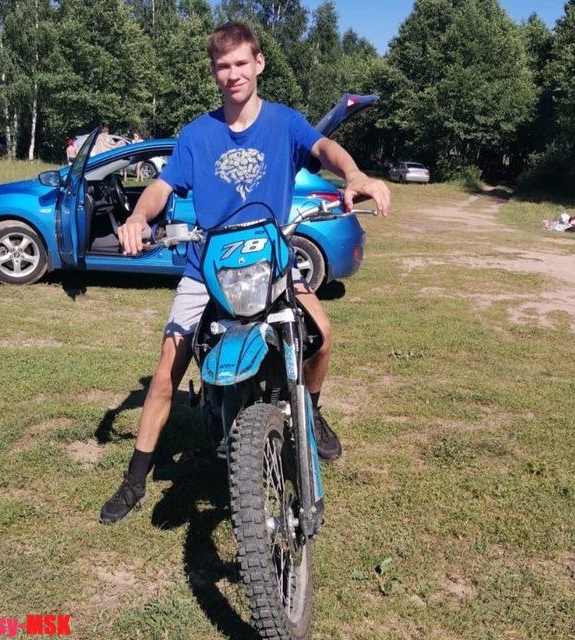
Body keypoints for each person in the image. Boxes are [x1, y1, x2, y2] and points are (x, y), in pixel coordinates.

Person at [99, 22, 390, 524]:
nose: (232, 74)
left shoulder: (285, 123)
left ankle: (311, 412)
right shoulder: (197, 134)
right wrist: (138, 217)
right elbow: (163, 186)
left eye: (240, 63)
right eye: (223, 66)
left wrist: (355, 173)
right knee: (167, 370)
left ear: (259, 64)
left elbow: (325, 149)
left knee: (322, 335)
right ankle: (134, 480)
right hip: (206, 266)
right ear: (214, 72)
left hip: (272, 261)